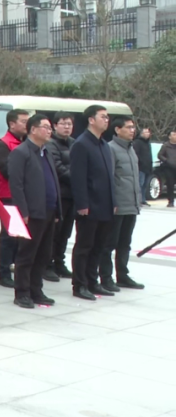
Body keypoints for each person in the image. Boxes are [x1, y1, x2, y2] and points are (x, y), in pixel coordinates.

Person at [8, 114, 59, 309]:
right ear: (33, 129)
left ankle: (36, 290)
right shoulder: (21, 152)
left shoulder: (46, 151)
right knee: (26, 254)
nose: (49, 131)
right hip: (31, 212)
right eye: (45, 127)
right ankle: (22, 292)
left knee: (43, 254)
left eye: (50, 127)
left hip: (49, 210)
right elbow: (16, 184)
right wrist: (23, 211)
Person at [70, 105, 117, 300]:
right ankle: (79, 284)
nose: (107, 120)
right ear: (91, 119)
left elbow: (109, 177)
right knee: (84, 247)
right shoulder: (81, 144)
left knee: (99, 246)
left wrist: (113, 201)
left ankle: (92, 281)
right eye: (103, 117)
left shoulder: (104, 144)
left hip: (105, 204)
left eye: (107, 117)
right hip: (89, 205)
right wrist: (82, 204)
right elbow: (78, 178)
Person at [105, 116, 144, 290]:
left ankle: (122, 275)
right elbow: (109, 179)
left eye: (133, 127)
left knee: (125, 243)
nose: (132, 130)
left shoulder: (131, 149)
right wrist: (113, 202)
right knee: (109, 243)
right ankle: (106, 277)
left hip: (131, 205)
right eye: (128, 127)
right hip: (117, 206)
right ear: (117, 130)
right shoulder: (111, 149)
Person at [0, 108, 28, 288]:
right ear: (12, 124)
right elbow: (7, 171)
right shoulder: (4, 144)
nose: (27, 125)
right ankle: (4, 272)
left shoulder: (26, 142)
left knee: (21, 235)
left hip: (24, 195)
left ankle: (14, 266)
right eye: (23, 121)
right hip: (9, 195)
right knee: (9, 235)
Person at [46, 112, 76, 281]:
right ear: (55, 125)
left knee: (65, 232)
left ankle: (59, 262)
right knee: (54, 232)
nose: (67, 127)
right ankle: (47, 264)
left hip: (72, 195)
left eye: (69, 124)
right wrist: (77, 177)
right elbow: (57, 167)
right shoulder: (50, 144)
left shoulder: (74, 143)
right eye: (63, 123)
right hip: (59, 195)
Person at [132, 127, 153, 206]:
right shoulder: (137, 142)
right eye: (145, 132)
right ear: (141, 134)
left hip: (147, 167)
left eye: (148, 132)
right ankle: (138, 200)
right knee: (140, 184)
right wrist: (141, 163)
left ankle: (143, 199)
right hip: (140, 167)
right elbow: (136, 154)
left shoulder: (148, 143)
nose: (147, 134)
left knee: (145, 185)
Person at [157, 129, 176, 208]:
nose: (175, 136)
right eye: (173, 135)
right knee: (170, 185)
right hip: (169, 168)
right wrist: (166, 160)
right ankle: (170, 201)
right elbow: (159, 155)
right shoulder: (165, 146)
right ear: (169, 137)